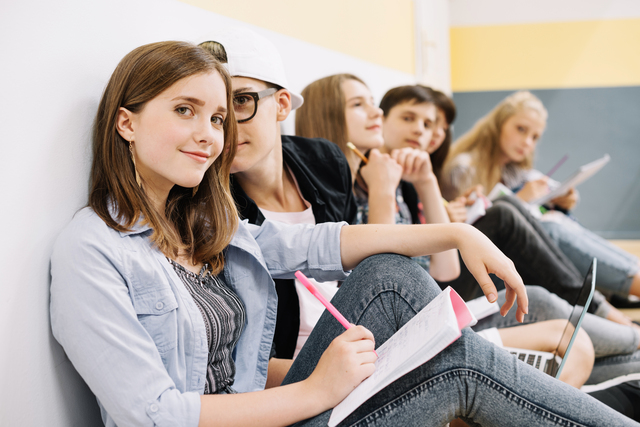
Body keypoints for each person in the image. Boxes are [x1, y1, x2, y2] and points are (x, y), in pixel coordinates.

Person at [49, 41, 639, 426]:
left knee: (406, 294)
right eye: (185, 111)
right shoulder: (91, 251)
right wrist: (316, 390)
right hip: (274, 411)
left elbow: (319, 243)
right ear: (125, 121)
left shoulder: (202, 224)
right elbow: (151, 414)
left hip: (276, 407)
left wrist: (453, 234)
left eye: (219, 116)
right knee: (445, 346)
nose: (210, 134)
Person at [204, 31, 592, 389]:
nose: (228, 129)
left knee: (576, 340)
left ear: (282, 104)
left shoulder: (324, 164)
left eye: (242, 101)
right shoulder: (213, 210)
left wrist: (440, 207)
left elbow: (386, 274)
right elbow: (376, 276)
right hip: (341, 360)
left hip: (379, 334)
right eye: (217, 114)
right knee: (543, 321)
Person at [297, 76, 640, 388]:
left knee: (547, 301)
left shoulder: (396, 177)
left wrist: (427, 182)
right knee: (519, 235)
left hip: (438, 305)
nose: (375, 112)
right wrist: (386, 191)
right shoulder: (350, 190)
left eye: (431, 124)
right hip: (416, 325)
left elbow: (446, 269)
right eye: (361, 105)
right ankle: (630, 334)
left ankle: (630, 339)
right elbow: (377, 284)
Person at [441, 90, 640, 309]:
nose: (527, 142)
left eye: (534, 137)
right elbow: (474, 228)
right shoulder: (464, 169)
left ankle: (622, 288)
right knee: (551, 230)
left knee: (556, 222)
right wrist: (521, 199)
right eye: (521, 129)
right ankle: (614, 297)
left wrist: (563, 199)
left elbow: (545, 190)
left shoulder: (514, 170)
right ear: (498, 124)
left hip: (515, 262)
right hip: (483, 270)